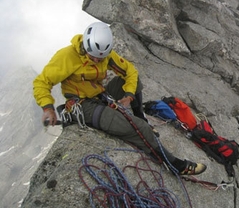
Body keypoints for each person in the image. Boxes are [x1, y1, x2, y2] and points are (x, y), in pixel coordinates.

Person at [33, 21, 206, 176]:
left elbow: (130, 72)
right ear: (86, 44)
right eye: (93, 56)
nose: (96, 59)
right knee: (138, 129)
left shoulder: (105, 55)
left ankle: (141, 118)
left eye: (100, 57)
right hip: (83, 106)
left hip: (100, 95)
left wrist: (129, 96)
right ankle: (176, 165)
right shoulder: (66, 56)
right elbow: (42, 82)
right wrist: (47, 107)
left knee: (134, 83)